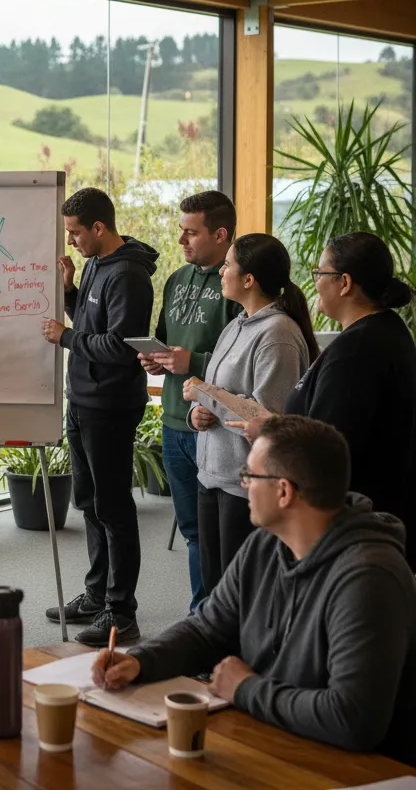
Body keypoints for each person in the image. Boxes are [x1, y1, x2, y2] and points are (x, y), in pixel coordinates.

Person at [91, 415, 416, 765]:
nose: (243, 484)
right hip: (275, 739)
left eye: (250, 475)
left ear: (283, 491)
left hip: (352, 769)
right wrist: (141, 660)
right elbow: (207, 630)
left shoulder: (368, 577)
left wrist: (245, 688)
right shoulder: (264, 546)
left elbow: (353, 719)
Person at [234, 232, 416, 567]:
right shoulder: (384, 330)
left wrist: (272, 431)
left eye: (320, 273)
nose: (314, 281)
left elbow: (329, 447)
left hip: (352, 527)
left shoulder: (357, 352)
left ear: (345, 283)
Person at [41, 186, 158, 646]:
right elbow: (94, 325)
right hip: (84, 399)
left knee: (113, 509)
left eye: (74, 233)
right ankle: (96, 595)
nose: (71, 241)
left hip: (110, 405)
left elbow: (121, 347)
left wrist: (65, 337)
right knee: (89, 503)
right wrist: (71, 291)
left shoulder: (128, 274)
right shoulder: (95, 266)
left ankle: (121, 613)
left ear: (99, 227)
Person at [184, 233, 317, 595]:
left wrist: (205, 395)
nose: (221, 272)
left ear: (249, 279)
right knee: (215, 590)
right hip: (212, 475)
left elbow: (267, 419)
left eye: (227, 265)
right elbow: (216, 391)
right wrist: (198, 412)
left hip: (246, 484)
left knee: (240, 595)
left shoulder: (278, 334)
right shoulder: (236, 324)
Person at [139, 191, 240, 612]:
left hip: (214, 425)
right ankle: (201, 616)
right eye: (181, 230)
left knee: (223, 535)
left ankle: (221, 619)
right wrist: (158, 358)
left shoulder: (238, 282)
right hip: (174, 421)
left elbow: (242, 355)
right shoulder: (177, 279)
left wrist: (193, 360)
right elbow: (167, 339)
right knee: (193, 532)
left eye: (191, 232)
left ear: (221, 235)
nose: (181, 239)